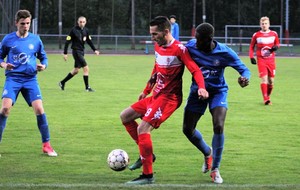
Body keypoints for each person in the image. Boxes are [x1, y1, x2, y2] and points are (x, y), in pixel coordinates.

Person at [120, 16, 209, 185]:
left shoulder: (179, 50)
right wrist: (146, 90)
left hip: (169, 99)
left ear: (166, 32)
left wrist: (202, 87)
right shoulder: (158, 46)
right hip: (156, 96)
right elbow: (156, 68)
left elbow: (195, 70)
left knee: (143, 129)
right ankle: (147, 155)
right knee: (125, 116)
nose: (152, 38)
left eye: (155, 34)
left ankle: (148, 176)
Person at [184, 23, 251, 184]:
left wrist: (244, 79)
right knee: (187, 129)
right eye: (195, 38)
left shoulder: (224, 52)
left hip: (218, 92)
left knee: (218, 125)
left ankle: (215, 169)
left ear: (210, 40)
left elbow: (244, 69)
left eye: (199, 40)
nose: (196, 42)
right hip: (197, 93)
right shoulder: (191, 46)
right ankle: (208, 152)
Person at [0, 10, 57, 157]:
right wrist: (4, 65)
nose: (25, 26)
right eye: (22, 24)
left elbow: (44, 58)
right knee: (5, 109)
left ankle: (47, 145)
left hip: (30, 79)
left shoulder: (36, 40)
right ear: (16, 23)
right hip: (13, 79)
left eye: (28, 23)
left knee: (39, 109)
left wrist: (43, 66)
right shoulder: (8, 40)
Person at [59, 16, 100, 92]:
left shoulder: (86, 30)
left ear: (85, 22)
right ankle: (87, 88)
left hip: (81, 51)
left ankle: (62, 82)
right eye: (80, 22)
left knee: (76, 71)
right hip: (76, 51)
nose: (82, 23)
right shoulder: (73, 30)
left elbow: (89, 41)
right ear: (78, 22)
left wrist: (95, 50)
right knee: (86, 68)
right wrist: (65, 53)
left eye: (83, 22)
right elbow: (67, 42)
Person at [249, 16, 280, 105]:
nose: (264, 25)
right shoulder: (256, 35)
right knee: (264, 79)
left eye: (266, 23)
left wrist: (276, 47)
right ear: (260, 25)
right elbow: (251, 46)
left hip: (271, 61)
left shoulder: (274, 34)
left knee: (271, 81)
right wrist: (251, 57)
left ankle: (267, 96)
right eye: (262, 24)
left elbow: (277, 43)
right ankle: (266, 99)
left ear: (269, 24)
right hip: (261, 60)